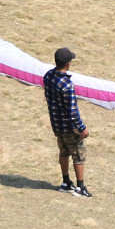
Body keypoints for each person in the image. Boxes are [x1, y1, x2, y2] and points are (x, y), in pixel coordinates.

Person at [44, 47, 91, 197]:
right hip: (69, 127)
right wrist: (82, 128)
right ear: (68, 64)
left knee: (63, 151)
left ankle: (65, 182)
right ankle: (80, 187)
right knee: (78, 155)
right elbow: (72, 111)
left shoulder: (48, 76)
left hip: (56, 124)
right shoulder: (67, 85)